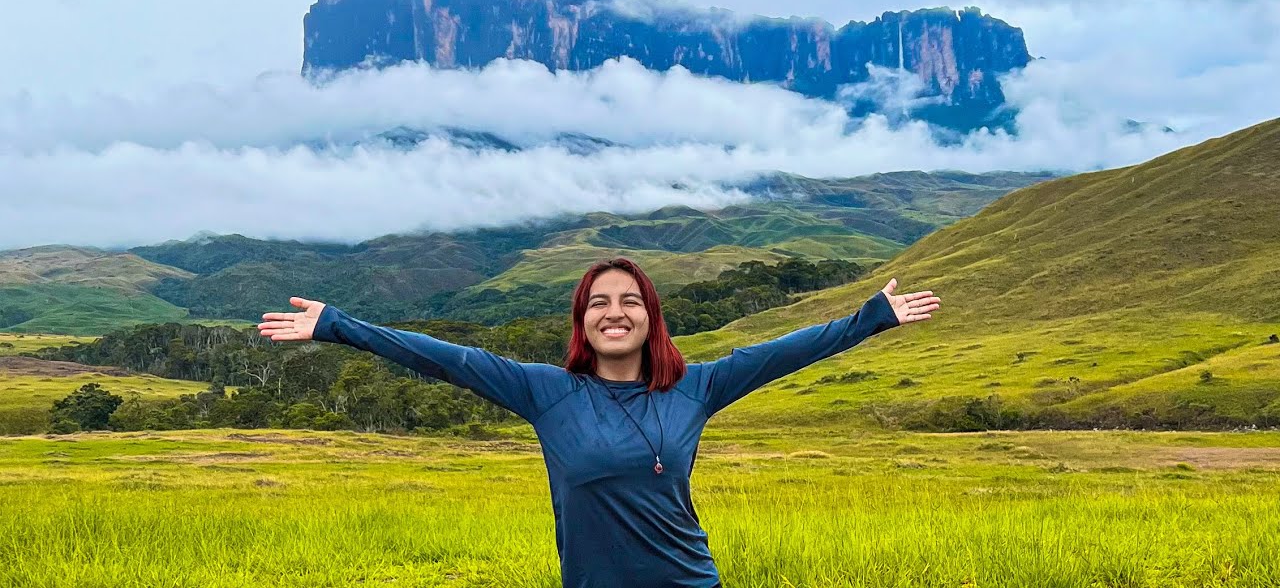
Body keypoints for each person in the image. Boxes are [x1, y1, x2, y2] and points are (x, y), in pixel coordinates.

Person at [258, 257, 940, 588]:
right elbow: (448, 359)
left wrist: (869, 319)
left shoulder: (697, 387)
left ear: (651, 316)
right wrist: (338, 326)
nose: (615, 312)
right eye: (598, 303)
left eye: (630, 301)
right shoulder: (547, 393)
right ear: (583, 320)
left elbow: (786, 351)